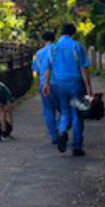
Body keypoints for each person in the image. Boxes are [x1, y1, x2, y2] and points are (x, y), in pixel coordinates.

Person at [42, 23, 92, 156]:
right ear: (73, 33)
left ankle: (62, 131)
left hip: (59, 84)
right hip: (75, 83)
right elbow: (84, 68)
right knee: (77, 114)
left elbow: (48, 68)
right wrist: (89, 89)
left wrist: (46, 85)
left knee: (64, 112)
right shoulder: (76, 46)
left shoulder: (53, 48)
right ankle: (77, 146)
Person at [33, 31, 61, 145]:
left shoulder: (39, 53)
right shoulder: (58, 49)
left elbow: (36, 69)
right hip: (59, 83)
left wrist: (39, 84)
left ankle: (54, 136)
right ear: (54, 38)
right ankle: (61, 128)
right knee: (65, 109)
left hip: (44, 84)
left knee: (48, 110)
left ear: (43, 40)